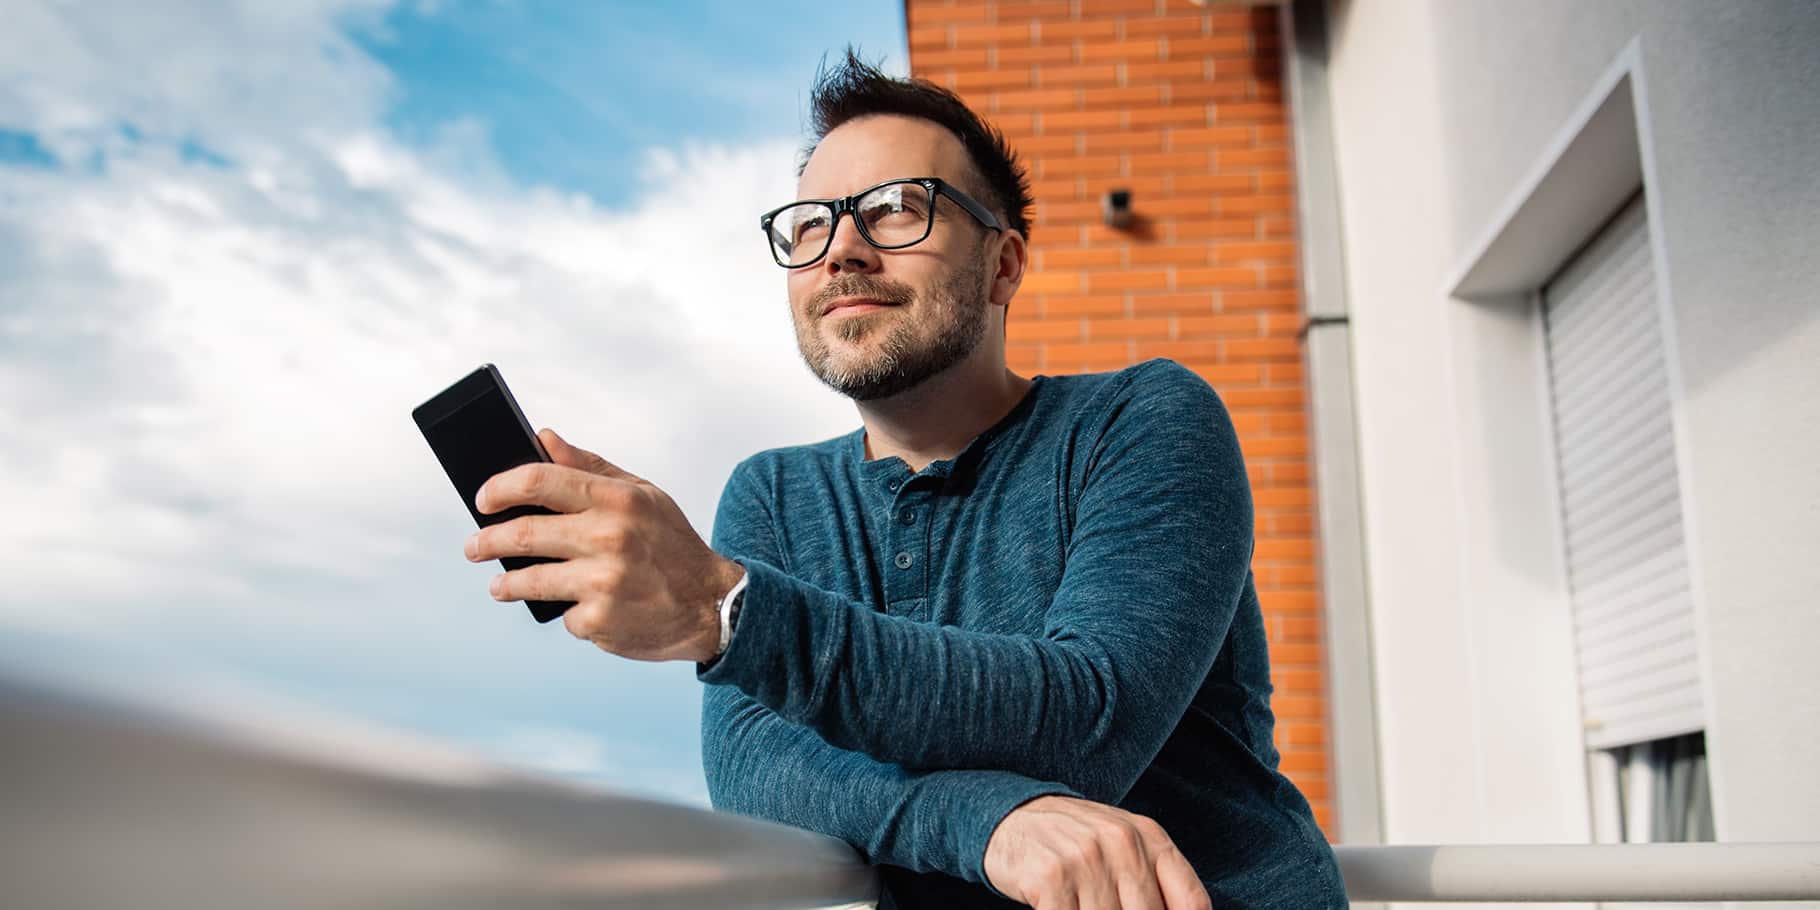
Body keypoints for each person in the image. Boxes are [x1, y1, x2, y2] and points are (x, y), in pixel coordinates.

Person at [464, 53, 1347, 910]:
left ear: (1003, 265)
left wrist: (726, 608)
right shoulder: (774, 493)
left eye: (895, 209)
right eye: (811, 222)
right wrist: (980, 823)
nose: (842, 249)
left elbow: (1089, 718)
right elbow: (755, 764)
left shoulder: (1143, 418)